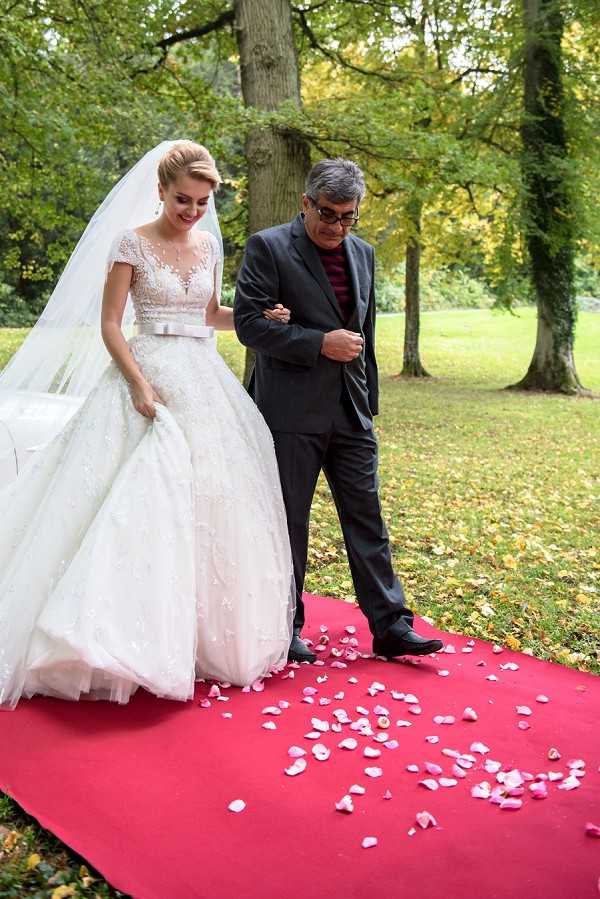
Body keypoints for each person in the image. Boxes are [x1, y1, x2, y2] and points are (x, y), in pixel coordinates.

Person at [0, 140, 294, 709]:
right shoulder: (130, 242)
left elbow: (209, 316)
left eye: (202, 201)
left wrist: (257, 317)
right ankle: (108, 630)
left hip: (204, 378)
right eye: (182, 199)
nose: (191, 211)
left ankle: (194, 633)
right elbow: (111, 325)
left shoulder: (208, 246)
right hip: (147, 376)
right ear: (159, 191)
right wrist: (137, 382)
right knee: (131, 498)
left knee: (208, 500)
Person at [234, 157, 443, 663]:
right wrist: (316, 342)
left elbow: (365, 335)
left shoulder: (364, 253)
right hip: (288, 412)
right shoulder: (268, 247)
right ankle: (282, 627)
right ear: (306, 203)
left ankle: (391, 626)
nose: (337, 227)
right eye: (328, 214)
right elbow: (248, 325)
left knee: (367, 517)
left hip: (351, 413)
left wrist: (368, 403)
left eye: (348, 216)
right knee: (288, 523)